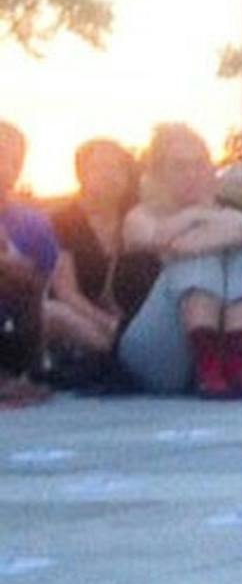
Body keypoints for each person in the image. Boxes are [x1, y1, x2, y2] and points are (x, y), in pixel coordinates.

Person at [117, 124, 242, 398]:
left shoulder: (231, 213)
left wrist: (227, 230)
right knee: (197, 257)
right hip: (160, 352)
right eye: (179, 167)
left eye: (198, 165)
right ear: (159, 174)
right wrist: (200, 219)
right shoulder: (141, 216)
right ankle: (209, 370)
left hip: (234, 342)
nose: (191, 175)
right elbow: (165, 241)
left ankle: (233, 367)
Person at [46, 139, 145, 366]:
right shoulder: (63, 221)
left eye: (117, 167)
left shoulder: (137, 216)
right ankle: (119, 353)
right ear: (82, 174)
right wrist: (109, 324)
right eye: (99, 167)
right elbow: (66, 292)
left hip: (135, 320)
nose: (109, 175)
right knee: (56, 314)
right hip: (85, 317)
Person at [0, 121, 58, 405]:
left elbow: (42, 283)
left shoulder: (34, 222)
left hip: (12, 319)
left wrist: (11, 263)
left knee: (21, 285)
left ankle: (23, 374)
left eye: (10, 159)